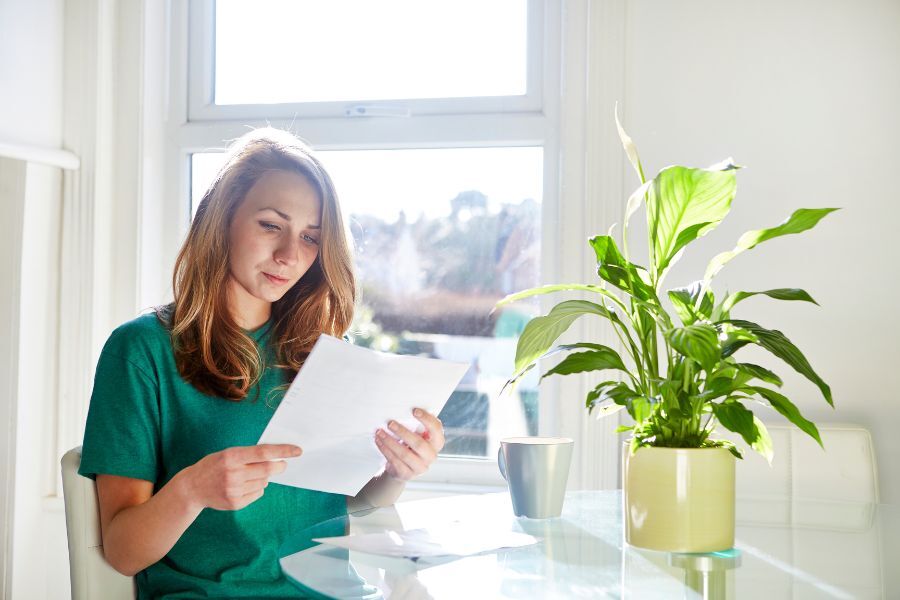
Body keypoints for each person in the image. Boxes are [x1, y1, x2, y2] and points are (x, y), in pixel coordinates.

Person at [77, 128, 445, 599]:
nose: (290, 256)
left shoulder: (323, 352)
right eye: (271, 225)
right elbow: (123, 552)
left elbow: (336, 503)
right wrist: (191, 490)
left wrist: (396, 471)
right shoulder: (141, 350)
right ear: (222, 220)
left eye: (310, 237)